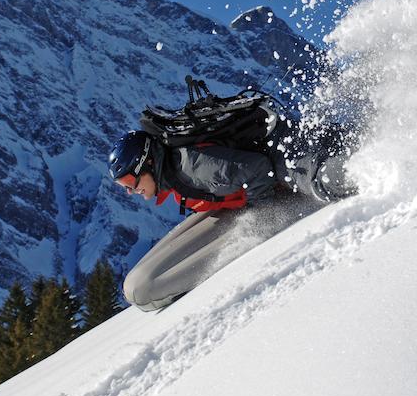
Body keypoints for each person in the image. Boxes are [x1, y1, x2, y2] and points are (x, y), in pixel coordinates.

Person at [108, 127, 354, 311]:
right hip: (267, 172)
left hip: (285, 156)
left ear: (148, 163)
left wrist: (265, 216)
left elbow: (260, 169)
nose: (130, 191)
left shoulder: (192, 168)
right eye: (123, 186)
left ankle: (374, 162)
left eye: (130, 182)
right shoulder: (174, 173)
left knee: (328, 180)